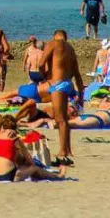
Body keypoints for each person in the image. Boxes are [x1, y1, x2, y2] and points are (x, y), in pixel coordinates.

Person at [39, 29, 83, 166]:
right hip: (68, 84)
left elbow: (41, 63)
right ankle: (68, 149)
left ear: (54, 36)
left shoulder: (52, 43)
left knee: (59, 120)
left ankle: (62, 150)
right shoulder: (70, 48)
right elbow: (77, 74)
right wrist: (80, 95)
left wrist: (45, 76)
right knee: (64, 119)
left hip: (57, 84)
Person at [0, 114, 64, 181]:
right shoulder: (15, 138)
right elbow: (29, 159)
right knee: (34, 168)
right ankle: (58, 176)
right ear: (15, 128)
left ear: (1, 127)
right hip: (7, 177)